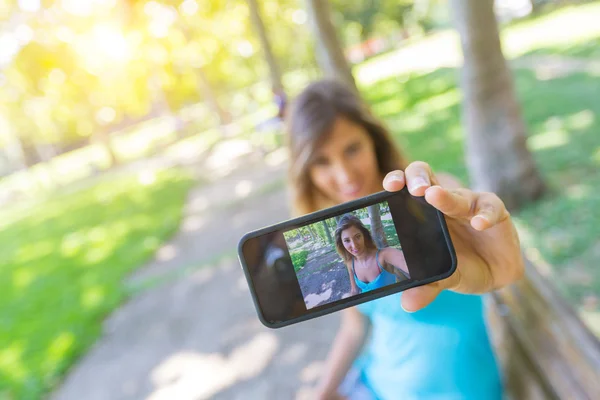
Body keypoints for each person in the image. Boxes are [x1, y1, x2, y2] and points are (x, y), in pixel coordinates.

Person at [285, 79, 524, 400]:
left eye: (352, 149)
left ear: (374, 141)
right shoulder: (342, 240)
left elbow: (494, 261)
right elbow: (355, 326)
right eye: (321, 161)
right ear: (306, 172)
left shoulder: (435, 202)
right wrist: (323, 391)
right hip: (376, 385)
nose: (344, 176)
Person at [334, 214, 410, 296]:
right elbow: (354, 290)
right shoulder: (349, 263)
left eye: (357, 236)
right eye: (347, 240)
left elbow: (415, 266)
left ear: (364, 235)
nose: (354, 245)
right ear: (341, 243)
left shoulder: (384, 255)